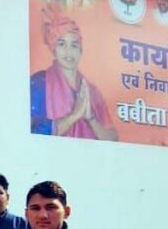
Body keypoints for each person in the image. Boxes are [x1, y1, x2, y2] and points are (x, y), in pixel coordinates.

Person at [31, 8, 118, 141]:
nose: (68, 52)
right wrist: (74, 115)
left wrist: (91, 119)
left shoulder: (92, 92)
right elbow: (32, 131)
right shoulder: (38, 83)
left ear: (80, 50)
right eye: (62, 44)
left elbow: (113, 139)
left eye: (74, 45)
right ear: (53, 49)